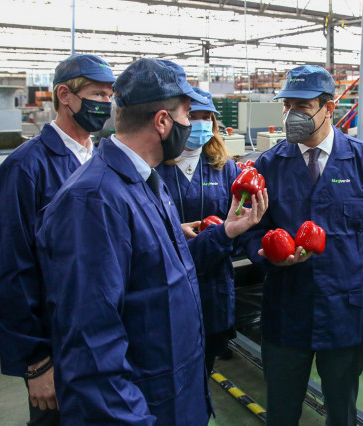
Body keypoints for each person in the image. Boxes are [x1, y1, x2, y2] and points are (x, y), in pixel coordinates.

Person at [36, 58, 267, 424]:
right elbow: (92, 349)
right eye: (188, 114)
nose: (192, 125)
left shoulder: (145, 184)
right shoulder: (93, 202)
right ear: (162, 121)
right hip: (145, 405)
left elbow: (163, 271)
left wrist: (226, 232)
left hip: (176, 393)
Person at [242, 65, 363, 425]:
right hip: (286, 309)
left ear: (329, 108)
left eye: (302, 107)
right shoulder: (270, 164)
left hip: (343, 312)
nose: (291, 116)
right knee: (282, 412)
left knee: (341, 411)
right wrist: (267, 254)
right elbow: (252, 230)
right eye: (287, 105)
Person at [0, 53, 116, 425]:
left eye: (109, 95)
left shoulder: (102, 158)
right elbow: (11, 272)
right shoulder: (26, 168)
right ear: (65, 95)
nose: (105, 103)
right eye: (97, 93)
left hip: (102, 338)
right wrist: (36, 363)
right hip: (57, 348)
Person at [156, 87, 242, 374]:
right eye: (194, 116)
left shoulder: (224, 167)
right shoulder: (154, 166)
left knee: (204, 362)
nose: (202, 124)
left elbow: (236, 224)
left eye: (208, 118)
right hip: (167, 277)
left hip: (212, 281)